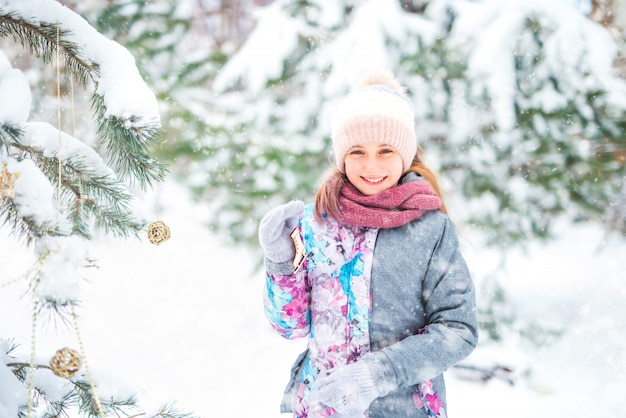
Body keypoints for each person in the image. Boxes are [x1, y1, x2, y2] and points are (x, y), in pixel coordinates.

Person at [258, 69, 478, 418]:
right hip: (320, 406)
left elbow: (458, 329)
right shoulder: (316, 223)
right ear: (341, 155)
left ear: (404, 154)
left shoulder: (431, 230)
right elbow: (291, 326)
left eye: (385, 150)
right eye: (357, 151)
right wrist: (281, 261)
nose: (371, 165)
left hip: (403, 409)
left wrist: (379, 373)